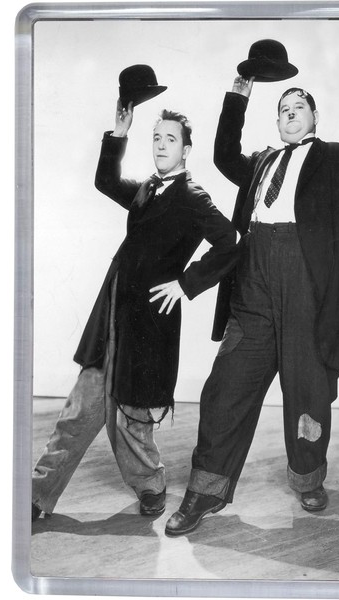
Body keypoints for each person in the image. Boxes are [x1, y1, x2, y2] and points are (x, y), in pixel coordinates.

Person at [165, 77, 339, 536]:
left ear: (314, 116)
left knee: (307, 390)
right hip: (253, 281)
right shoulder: (261, 162)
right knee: (225, 386)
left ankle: (308, 478)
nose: (289, 112)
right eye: (283, 108)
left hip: (307, 284)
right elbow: (224, 154)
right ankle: (205, 491)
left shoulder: (338, 157)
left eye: (298, 106)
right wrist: (239, 94)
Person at [32, 100, 237, 521]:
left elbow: (230, 242)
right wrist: (119, 133)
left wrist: (186, 284)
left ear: (186, 150)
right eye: (156, 138)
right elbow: (105, 181)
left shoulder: (192, 196)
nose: (161, 145)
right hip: (112, 313)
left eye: (170, 139)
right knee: (78, 411)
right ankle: (35, 496)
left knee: (132, 418)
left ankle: (150, 485)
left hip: (150, 322)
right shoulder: (146, 189)